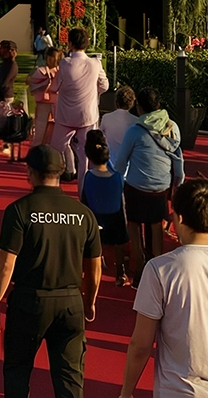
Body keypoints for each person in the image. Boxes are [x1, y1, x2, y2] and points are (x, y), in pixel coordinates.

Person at [118, 177, 208, 398]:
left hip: (176, 392)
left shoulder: (159, 269)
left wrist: (126, 393)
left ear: (178, 217)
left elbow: (141, 344)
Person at [0, 145, 101, 398]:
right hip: (71, 303)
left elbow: (6, 265)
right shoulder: (84, 215)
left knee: (17, 372)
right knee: (70, 378)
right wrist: (89, 301)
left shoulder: (19, 211)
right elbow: (94, 267)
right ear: (61, 172)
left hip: (29, 301)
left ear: (31, 172)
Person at [112, 87, 185, 281]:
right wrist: (178, 182)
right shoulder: (173, 127)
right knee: (155, 224)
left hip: (136, 186)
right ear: (159, 105)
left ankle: (139, 269)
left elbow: (120, 163)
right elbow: (178, 159)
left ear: (139, 107)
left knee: (134, 225)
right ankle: (158, 270)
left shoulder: (135, 131)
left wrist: (116, 182)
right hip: (161, 187)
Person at [49, 29, 109, 182]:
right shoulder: (95, 63)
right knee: (86, 158)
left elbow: (54, 87)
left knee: (55, 152)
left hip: (65, 117)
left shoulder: (65, 63)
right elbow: (105, 85)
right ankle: (84, 194)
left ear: (70, 43)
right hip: (87, 115)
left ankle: (51, 186)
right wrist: (93, 94)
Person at [80, 131, 131, 287]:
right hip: (115, 216)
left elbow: (84, 201)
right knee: (118, 243)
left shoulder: (88, 176)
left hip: (96, 217)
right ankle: (120, 272)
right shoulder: (117, 177)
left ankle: (96, 264)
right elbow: (121, 201)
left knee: (94, 239)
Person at [26, 47, 61, 147]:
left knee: (55, 129)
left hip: (56, 103)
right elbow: (31, 83)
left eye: (55, 57)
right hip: (43, 103)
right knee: (40, 128)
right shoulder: (40, 71)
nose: (52, 60)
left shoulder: (61, 72)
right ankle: (36, 149)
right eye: (50, 57)